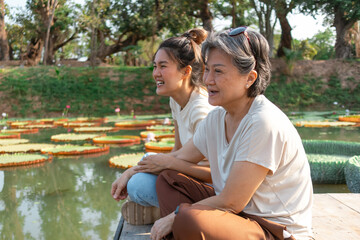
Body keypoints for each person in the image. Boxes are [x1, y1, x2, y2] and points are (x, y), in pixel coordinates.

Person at [137, 27, 313, 240]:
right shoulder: (216, 118)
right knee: (168, 180)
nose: (208, 80)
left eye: (218, 71)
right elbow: (178, 157)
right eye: (207, 70)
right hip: (238, 217)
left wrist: (176, 215)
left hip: (273, 229)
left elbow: (231, 201)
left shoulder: (263, 122)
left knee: (189, 218)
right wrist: (135, 170)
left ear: (249, 78)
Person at [111, 28, 214, 225]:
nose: (156, 73)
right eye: (155, 66)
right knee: (148, 159)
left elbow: (218, 174)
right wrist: (146, 166)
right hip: (182, 176)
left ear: (186, 71)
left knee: (138, 185)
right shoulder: (176, 100)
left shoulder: (201, 110)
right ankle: (166, 211)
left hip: (206, 188)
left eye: (163, 66)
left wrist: (133, 171)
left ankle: (168, 213)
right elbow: (178, 150)